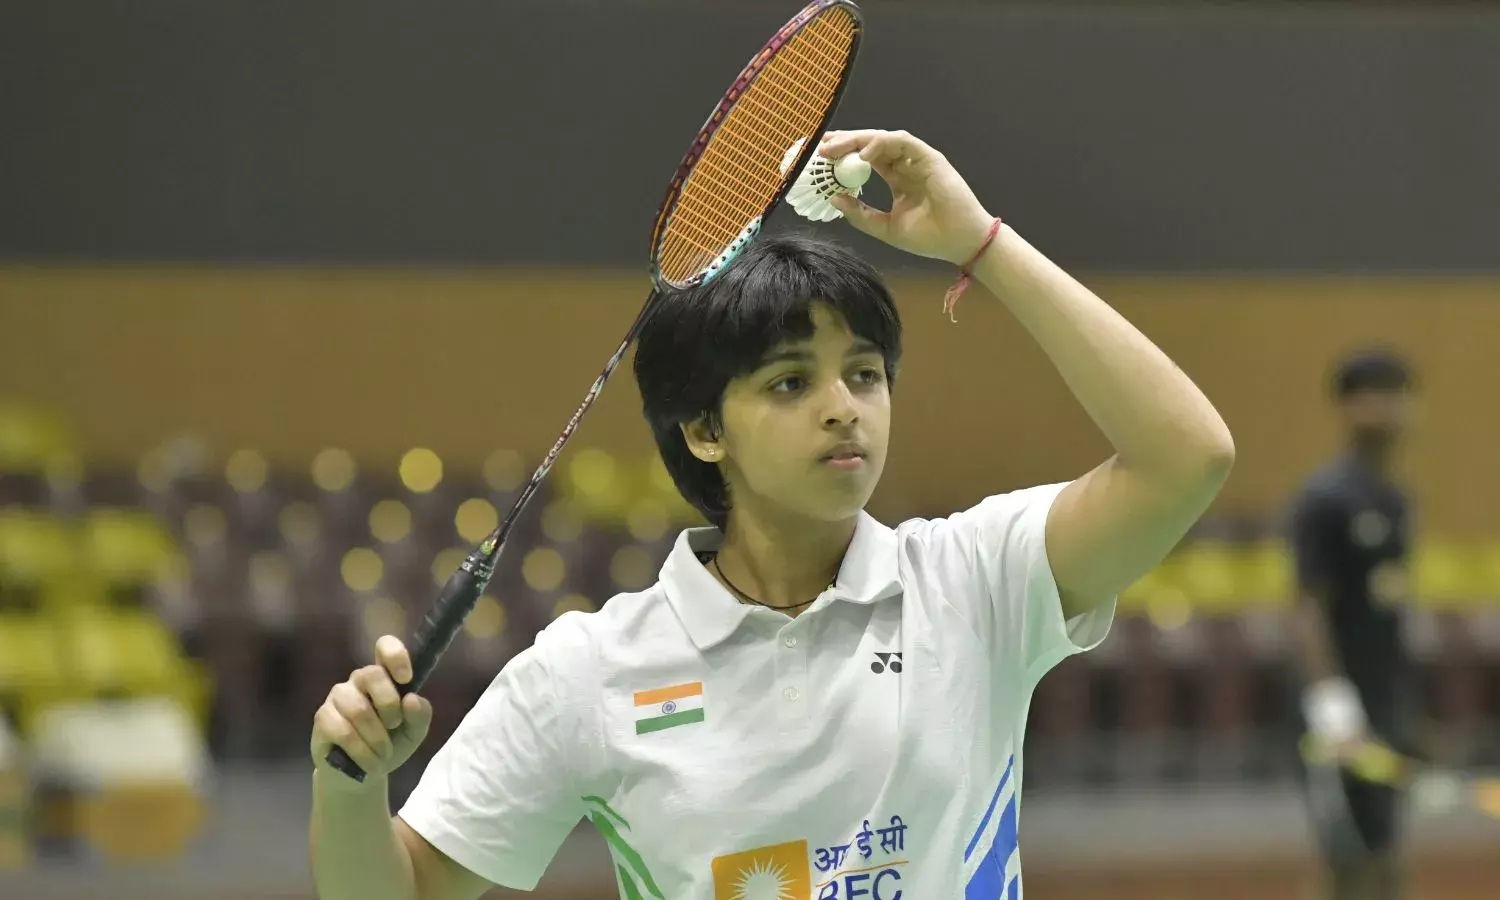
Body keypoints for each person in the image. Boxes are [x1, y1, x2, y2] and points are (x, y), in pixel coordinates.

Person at [307, 129, 1235, 900]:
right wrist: (350, 786)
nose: (843, 408)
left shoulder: (975, 583)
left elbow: (1187, 458)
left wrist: (980, 244)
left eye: (864, 374)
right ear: (705, 430)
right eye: (791, 382)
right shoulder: (592, 671)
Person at [1289, 349, 1418, 900]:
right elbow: (1307, 607)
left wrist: (1406, 708)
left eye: (1397, 394)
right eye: (1373, 394)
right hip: (1340, 711)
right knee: (1348, 863)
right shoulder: (1325, 499)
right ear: (1346, 407)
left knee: (1386, 855)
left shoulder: (1396, 500)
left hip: (1386, 702)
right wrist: (1332, 706)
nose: (1388, 408)